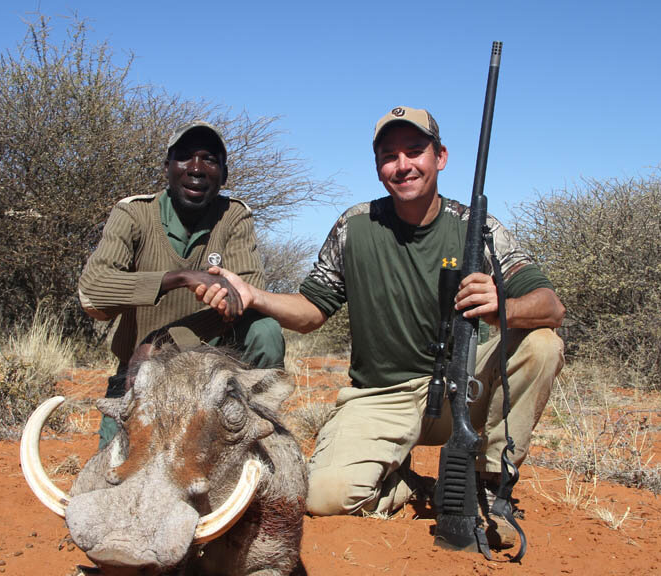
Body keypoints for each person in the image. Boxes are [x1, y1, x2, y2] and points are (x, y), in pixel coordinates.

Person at [193, 107, 565, 549]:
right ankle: (409, 484)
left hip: (461, 389)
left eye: (415, 151)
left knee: (542, 344)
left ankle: (486, 484)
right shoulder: (354, 226)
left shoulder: (479, 229)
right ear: (377, 166)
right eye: (389, 155)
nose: (402, 165)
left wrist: (502, 306)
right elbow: (312, 310)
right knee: (322, 495)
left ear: (440, 157)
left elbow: (551, 306)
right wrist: (254, 295)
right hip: (381, 394)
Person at [78, 120, 285, 447]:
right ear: (167, 167)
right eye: (185, 157)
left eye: (210, 159)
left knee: (265, 330)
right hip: (139, 374)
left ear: (224, 175)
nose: (197, 169)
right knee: (112, 477)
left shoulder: (234, 216)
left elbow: (244, 299)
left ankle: (262, 442)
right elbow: (93, 292)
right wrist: (182, 278)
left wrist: (161, 340)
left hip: (212, 373)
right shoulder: (133, 213)